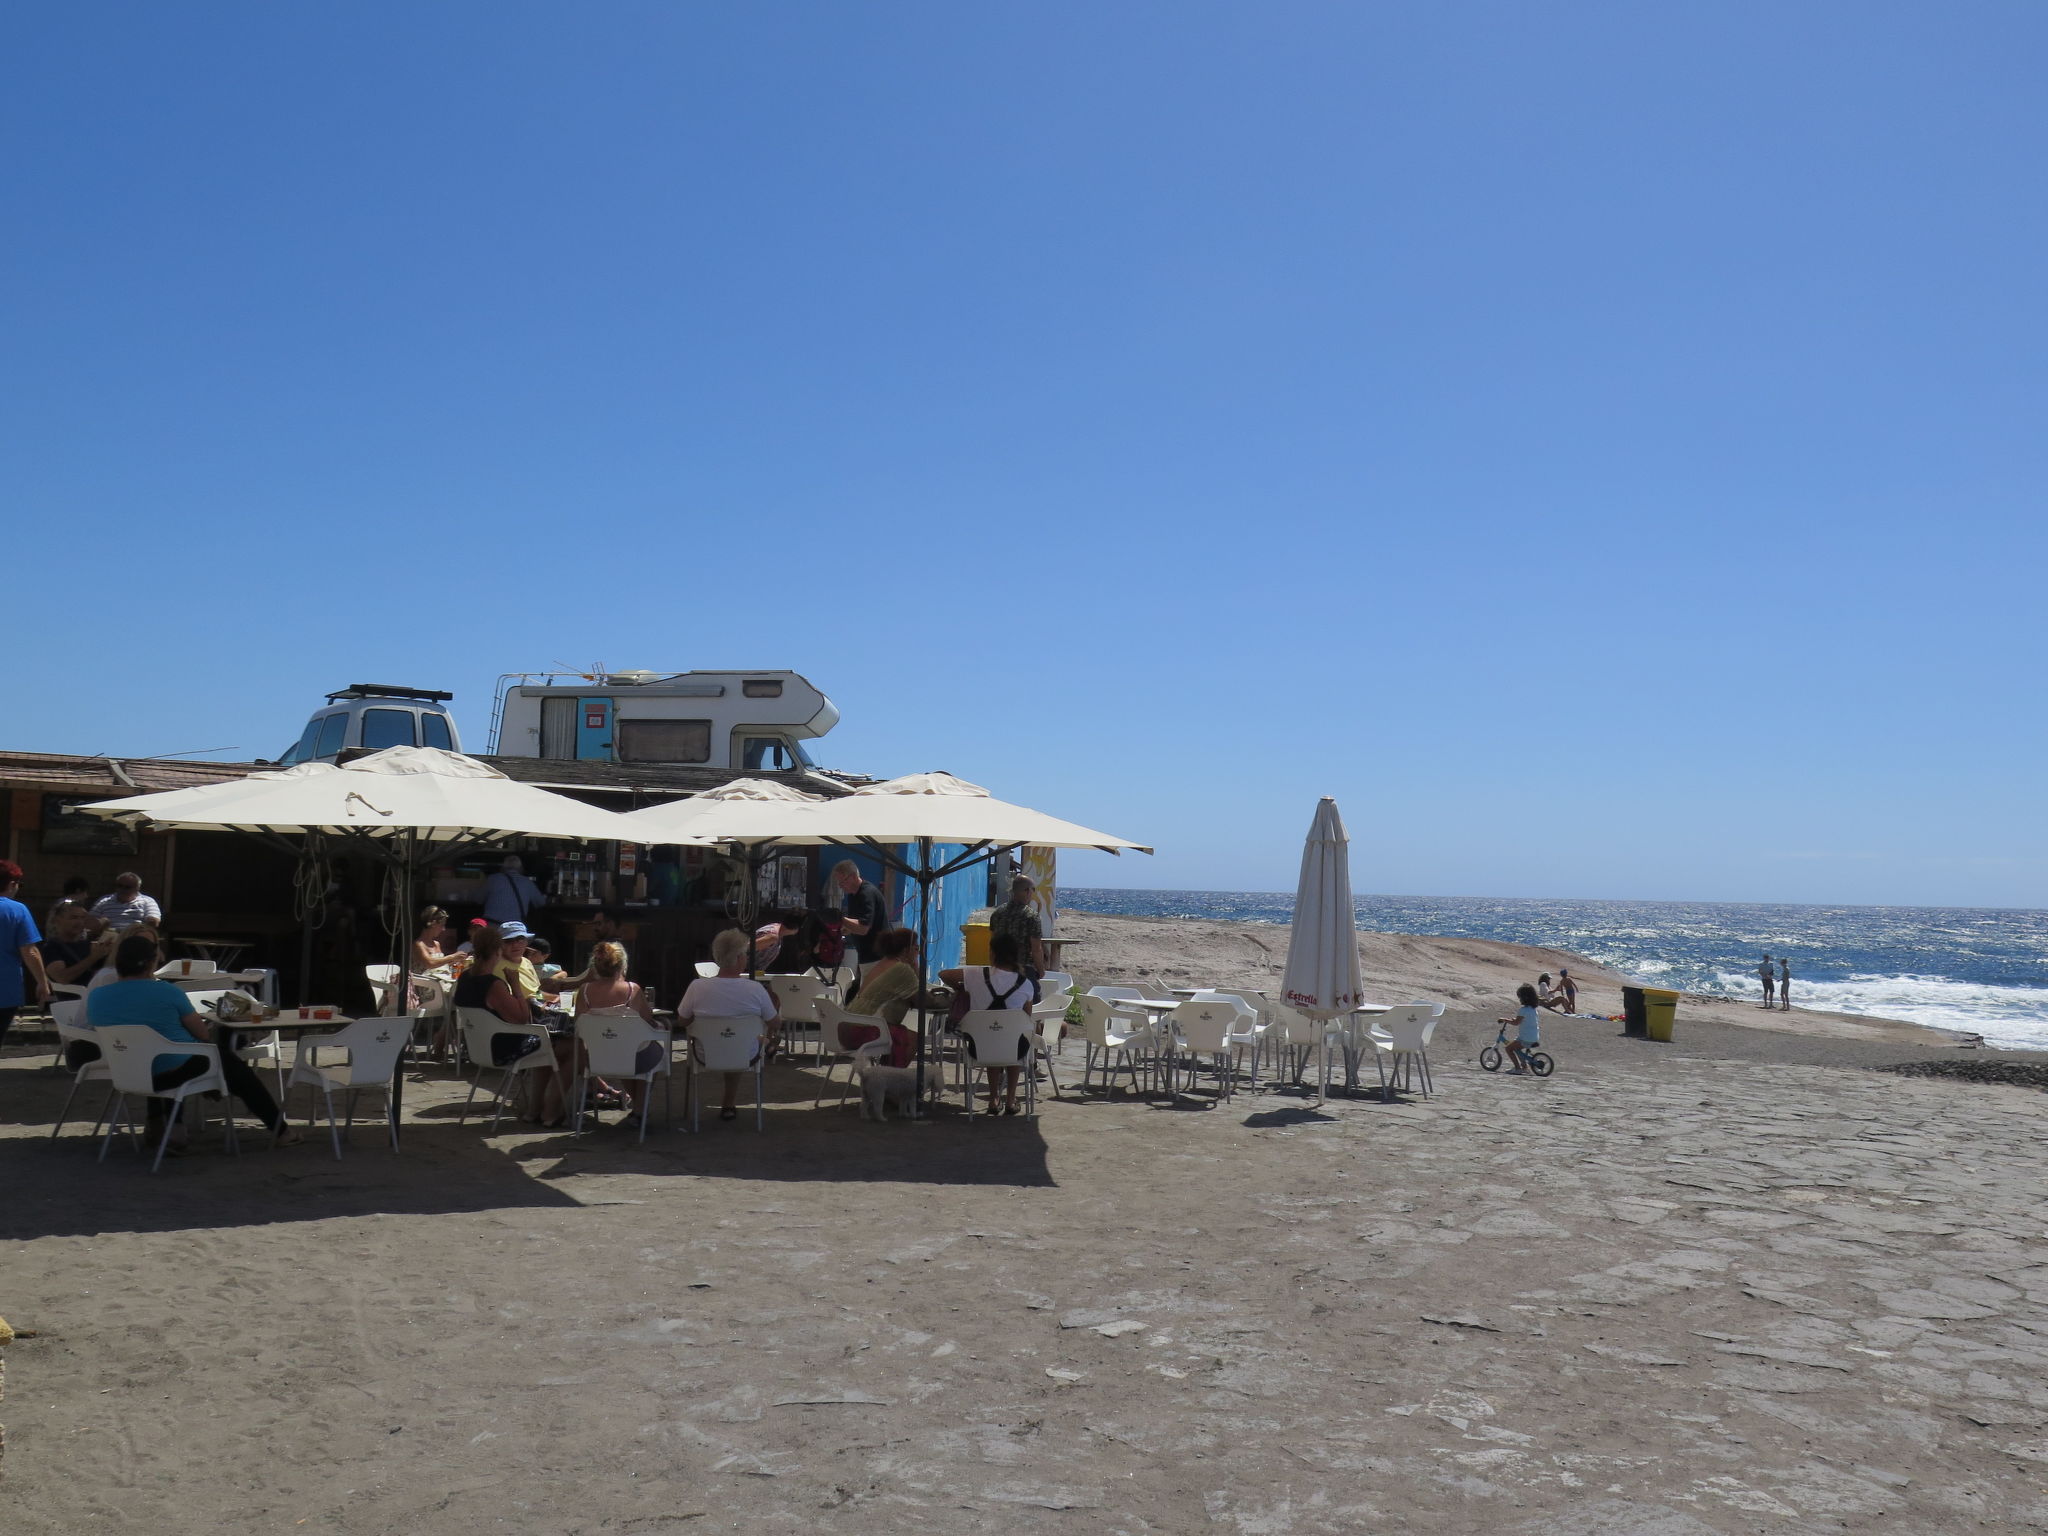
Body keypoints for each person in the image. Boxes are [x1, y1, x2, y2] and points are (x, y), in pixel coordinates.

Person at [86, 931, 299, 1148]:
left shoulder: (96, 996)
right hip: (172, 1071)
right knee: (231, 1066)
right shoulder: (168, 992)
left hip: (127, 1070)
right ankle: (281, 1131)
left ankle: (167, 1127)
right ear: (151, 963)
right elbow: (202, 1034)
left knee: (160, 1054)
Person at [453, 925, 566, 1124]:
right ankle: (549, 1110)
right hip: (502, 1048)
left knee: (551, 1044)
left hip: (478, 1046)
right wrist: (515, 986)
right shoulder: (493, 984)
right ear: (498, 951)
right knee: (566, 1047)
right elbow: (521, 1017)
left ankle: (535, 1108)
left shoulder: (464, 978)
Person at [675, 927, 779, 1122]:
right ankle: (728, 1103)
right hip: (745, 1053)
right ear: (740, 958)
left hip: (705, 1052)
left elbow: (682, 1020)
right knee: (742, 1039)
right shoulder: (755, 989)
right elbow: (775, 1021)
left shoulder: (697, 987)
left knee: (730, 1038)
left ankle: (727, 1103)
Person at [940, 932, 1040, 1116]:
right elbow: (1026, 1020)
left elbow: (944, 974)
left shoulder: (975, 975)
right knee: (1014, 1036)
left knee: (991, 1035)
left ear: (992, 953)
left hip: (979, 1047)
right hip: (1013, 1049)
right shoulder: (1025, 984)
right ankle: (1010, 1099)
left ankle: (994, 1097)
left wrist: (961, 987)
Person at [573, 939, 665, 1115]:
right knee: (647, 1050)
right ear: (622, 964)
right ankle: (640, 1109)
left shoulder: (584, 991)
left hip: (597, 1058)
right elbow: (647, 1019)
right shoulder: (633, 990)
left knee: (622, 1047)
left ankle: (638, 1109)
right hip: (628, 1056)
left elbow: (579, 1025)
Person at [842, 928, 933, 1067]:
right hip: (862, 1030)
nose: (918, 951)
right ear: (905, 950)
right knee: (913, 1038)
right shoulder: (901, 969)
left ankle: (884, 1078)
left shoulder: (882, 963)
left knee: (898, 1031)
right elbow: (922, 999)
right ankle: (890, 1081)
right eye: (916, 947)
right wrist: (915, 964)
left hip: (847, 1027)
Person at [0, 859, 50, 1050]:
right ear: (12, 884)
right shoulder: (17, 910)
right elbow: (30, 951)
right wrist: (42, 982)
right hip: (4, 990)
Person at [38, 901, 119, 988]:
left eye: (83, 918)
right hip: (75, 998)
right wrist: (93, 958)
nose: (80, 922)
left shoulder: (86, 944)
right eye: (74, 918)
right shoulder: (51, 947)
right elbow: (62, 978)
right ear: (57, 920)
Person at [830, 861, 891, 971]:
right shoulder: (853, 895)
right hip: (867, 955)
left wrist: (840, 918)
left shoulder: (866, 894)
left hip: (878, 957)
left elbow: (863, 928)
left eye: (842, 881)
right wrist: (845, 929)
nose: (840, 886)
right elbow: (857, 923)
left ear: (853, 876)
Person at [989, 876, 1048, 978]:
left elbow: (992, 945)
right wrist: (1041, 971)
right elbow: (1036, 949)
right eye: (1033, 889)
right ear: (1028, 891)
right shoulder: (1032, 916)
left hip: (1001, 969)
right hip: (1023, 970)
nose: (1033, 893)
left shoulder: (997, 913)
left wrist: (993, 968)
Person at [481, 855, 544, 926]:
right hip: (515, 927)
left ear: (503, 868)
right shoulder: (527, 882)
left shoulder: (492, 879)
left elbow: (477, 899)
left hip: (492, 925)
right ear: (521, 868)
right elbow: (540, 902)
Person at [91, 872, 162, 934]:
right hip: (108, 938)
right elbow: (91, 920)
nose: (122, 889)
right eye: (119, 886)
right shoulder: (104, 901)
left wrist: (137, 930)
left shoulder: (148, 901)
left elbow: (154, 922)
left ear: (137, 888)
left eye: (127, 887)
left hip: (135, 936)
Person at [1499, 983, 1542, 1076]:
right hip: (1534, 1036)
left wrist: (1505, 1020)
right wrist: (1515, 1019)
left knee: (1509, 1048)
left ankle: (1518, 1068)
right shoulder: (1533, 1009)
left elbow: (1516, 1023)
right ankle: (1524, 1067)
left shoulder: (1523, 1010)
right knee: (1517, 1048)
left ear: (1524, 998)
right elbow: (1525, 1020)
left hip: (1525, 1037)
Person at [410, 906, 461, 974]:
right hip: (422, 983)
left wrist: (455, 961)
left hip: (438, 982)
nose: (443, 929)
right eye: (442, 925)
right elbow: (430, 963)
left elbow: (438, 967)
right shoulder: (418, 945)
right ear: (433, 924)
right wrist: (452, 957)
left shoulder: (436, 944)